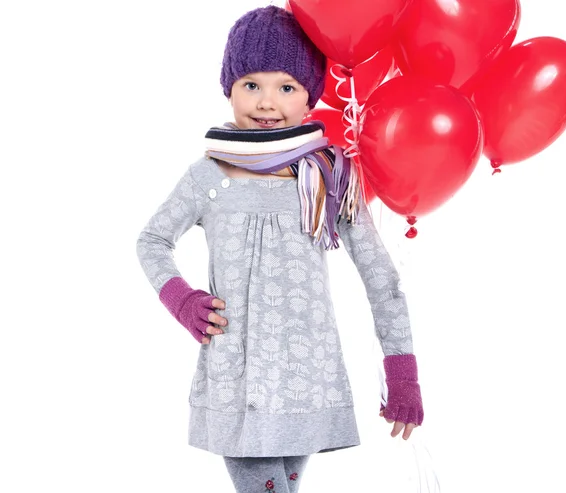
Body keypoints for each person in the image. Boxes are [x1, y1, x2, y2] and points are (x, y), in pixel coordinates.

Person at [136, 5, 424, 493]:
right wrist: (182, 301)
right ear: (228, 87)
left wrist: (403, 373)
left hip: (307, 382)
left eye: (286, 86)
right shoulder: (209, 176)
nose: (267, 101)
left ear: (310, 97)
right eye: (251, 84)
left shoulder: (329, 177)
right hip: (237, 382)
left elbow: (381, 278)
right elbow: (152, 240)